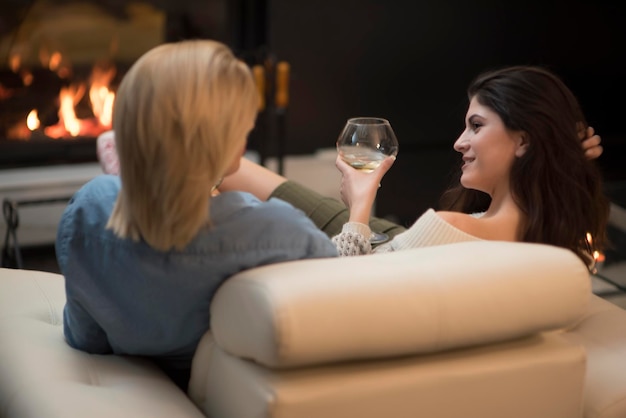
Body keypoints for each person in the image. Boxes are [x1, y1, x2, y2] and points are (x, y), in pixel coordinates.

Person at [55, 40, 337, 391]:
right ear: (227, 144)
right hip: (199, 386)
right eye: (243, 127)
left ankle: (133, 172)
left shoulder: (87, 208)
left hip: (133, 363)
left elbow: (84, 337)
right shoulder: (273, 229)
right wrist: (360, 203)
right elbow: (340, 280)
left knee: (112, 189)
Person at [218, 65, 609, 268]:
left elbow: (340, 279)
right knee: (249, 178)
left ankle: (187, 155)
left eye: (476, 126)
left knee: (233, 174)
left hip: (379, 246)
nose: (459, 143)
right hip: (403, 242)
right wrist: (562, 157)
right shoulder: (561, 240)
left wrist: (360, 203)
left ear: (525, 140)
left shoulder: (453, 226)